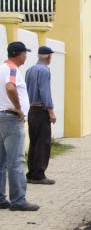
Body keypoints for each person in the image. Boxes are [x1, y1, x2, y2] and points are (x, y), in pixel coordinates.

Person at [0, 42, 39, 211]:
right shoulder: (12, 69)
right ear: (18, 54)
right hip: (11, 119)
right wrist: (19, 109)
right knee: (15, 161)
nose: (26, 56)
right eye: (25, 53)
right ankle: (18, 200)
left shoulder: (1, 68)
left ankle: (1, 199)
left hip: (1, 117)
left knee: (1, 162)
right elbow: (10, 87)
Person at [25, 45, 57, 185]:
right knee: (43, 143)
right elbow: (44, 91)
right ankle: (39, 175)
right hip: (41, 110)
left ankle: (31, 173)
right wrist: (50, 111)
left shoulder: (29, 70)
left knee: (34, 142)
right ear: (48, 56)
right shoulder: (44, 70)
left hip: (31, 109)